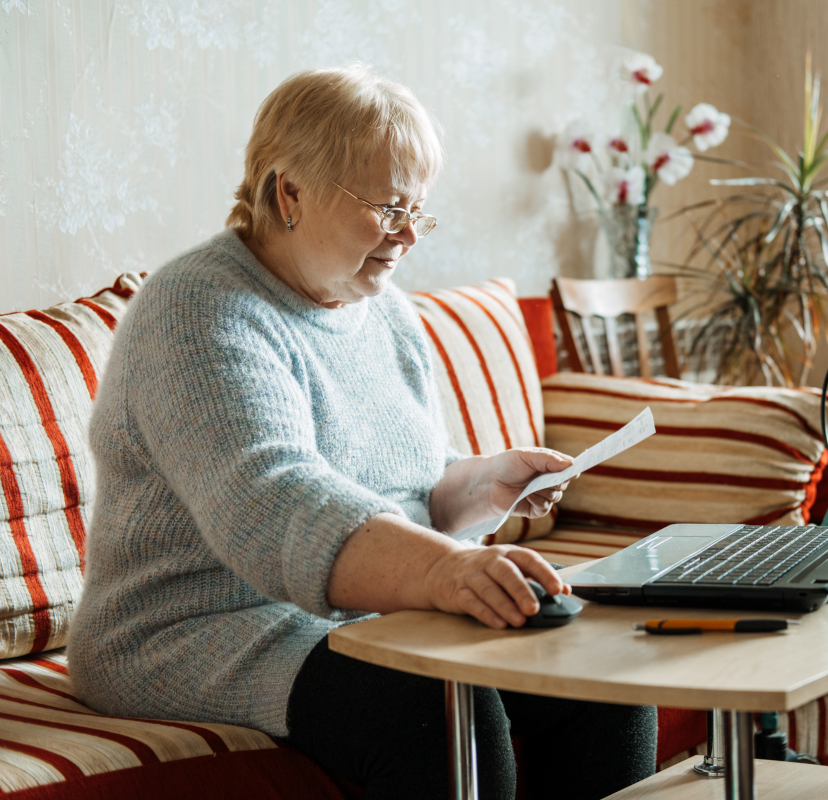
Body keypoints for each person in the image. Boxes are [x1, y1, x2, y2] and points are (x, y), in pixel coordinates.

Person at [67, 65, 656, 800]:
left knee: (600, 679)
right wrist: (444, 571)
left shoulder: (386, 313)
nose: (409, 235)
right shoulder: (197, 309)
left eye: (419, 210)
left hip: (351, 614)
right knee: (432, 714)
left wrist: (481, 483)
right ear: (290, 193)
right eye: (387, 208)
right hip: (198, 629)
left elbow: (406, 488)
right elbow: (272, 503)